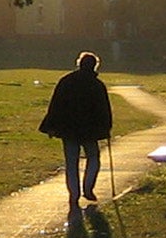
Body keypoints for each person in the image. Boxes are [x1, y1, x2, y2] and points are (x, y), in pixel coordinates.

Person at [39, 50, 113, 216]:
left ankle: (74, 194)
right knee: (93, 158)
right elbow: (104, 110)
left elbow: (56, 105)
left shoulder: (66, 81)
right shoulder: (97, 85)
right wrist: (106, 128)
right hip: (90, 131)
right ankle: (88, 188)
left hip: (69, 130)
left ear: (79, 64)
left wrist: (51, 126)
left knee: (71, 163)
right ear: (95, 66)